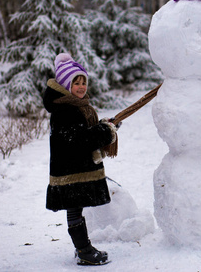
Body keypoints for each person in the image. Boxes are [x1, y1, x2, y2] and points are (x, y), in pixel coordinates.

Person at [43, 53, 119, 265]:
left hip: (73, 168)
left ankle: (82, 248)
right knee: (74, 209)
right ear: (66, 85)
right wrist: (105, 132)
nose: (81, 86)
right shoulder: (64, 110)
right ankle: (84, 251)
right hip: (71, 170)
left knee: (76, 208)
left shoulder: (74, 106)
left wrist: (105, 125)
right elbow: (79, 139)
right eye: (76, 82)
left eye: (83, 82)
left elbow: (83, 132)